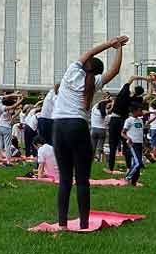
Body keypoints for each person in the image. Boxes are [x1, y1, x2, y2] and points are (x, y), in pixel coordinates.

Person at [47, 36, 127, 228]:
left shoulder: (70, 72)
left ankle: (62, 224)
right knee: (82, 180)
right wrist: (119, 49)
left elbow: (90, 52)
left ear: (85, 65)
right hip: (78, 127)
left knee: (65, 180)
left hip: (58, 126)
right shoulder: (95, 82)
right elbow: (114, 71)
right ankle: (83, 224)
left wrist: (111, 43)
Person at [105, 73, 148, 173]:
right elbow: (148, 96)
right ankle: (129, 167)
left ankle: (110, 168)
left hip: (115, 120)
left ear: (133, 90)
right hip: (124, 120)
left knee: (113, 145)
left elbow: (132, 77)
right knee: (126, 144)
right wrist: (149, 82)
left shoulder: (123, 92)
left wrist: (145, 78)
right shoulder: (135, 100)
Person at [121, 105, 146, 186]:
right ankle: (127, 178)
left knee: (137, 165)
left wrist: (144, 144)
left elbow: (141, 133)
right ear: (134, 111)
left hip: (139, 144)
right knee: (137, 163)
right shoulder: (129, 120)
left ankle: (134, 182)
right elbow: (122, 133)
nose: (141, 112)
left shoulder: (140, 121)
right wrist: (128, 138)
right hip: (133, 145)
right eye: (139, 111)